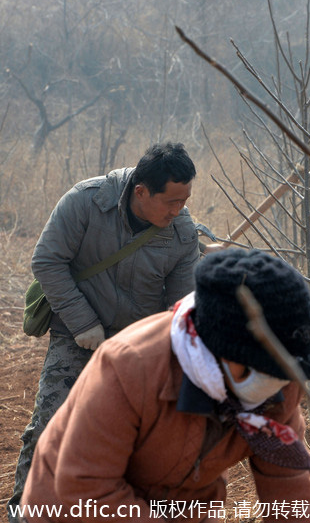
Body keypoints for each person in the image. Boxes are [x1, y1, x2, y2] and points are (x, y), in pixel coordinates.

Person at [18, 249, 310, 523]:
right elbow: (86, 487)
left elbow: (288, 488)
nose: (274, 382)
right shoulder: (131, 366)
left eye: (282, 371)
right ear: (218, 350)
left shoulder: (281, 383)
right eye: (260, 368)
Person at [8, 143, 201, 521]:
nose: (178, 211)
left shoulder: (182, 233)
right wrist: (84, 324)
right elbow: (48, 261)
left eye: (184, 201)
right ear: (141, 192)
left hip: (138, 349)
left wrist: (161, 358)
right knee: (51, 424)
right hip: (76, 335)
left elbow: (180, 308)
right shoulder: (86, 201)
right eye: (171, 202)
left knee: (145, 440)